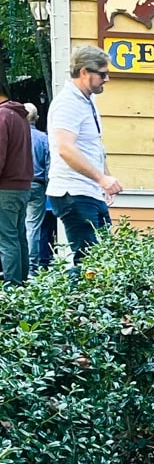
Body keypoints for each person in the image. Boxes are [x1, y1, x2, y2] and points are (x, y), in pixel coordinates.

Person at [47, 45, 122, 262]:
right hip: (72, 191)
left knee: (103, 258)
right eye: (102, 73)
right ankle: (74, 296)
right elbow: (65, 149)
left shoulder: (87, 100)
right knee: (88, 260)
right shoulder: (67, 103)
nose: (107, 78)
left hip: (89, 190)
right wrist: (101, 178)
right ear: (83, 73)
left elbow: (94, 145)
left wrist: (104, 179)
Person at [0, 75, 33, 285]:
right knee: (19, 237)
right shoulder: (19, 116)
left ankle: (12, 291)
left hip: (5, 189)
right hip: (22, 186)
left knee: (6, 239)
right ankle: (22, 286)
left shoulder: (2, 116)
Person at [24, 103, 57, 273]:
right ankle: (31, 268)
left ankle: (13, 268)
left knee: (11, 228)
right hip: (37, 185)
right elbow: (50, 165)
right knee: (33, 228)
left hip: (14, 186)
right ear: (37, 119)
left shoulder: (13, 137)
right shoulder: (44, 139)